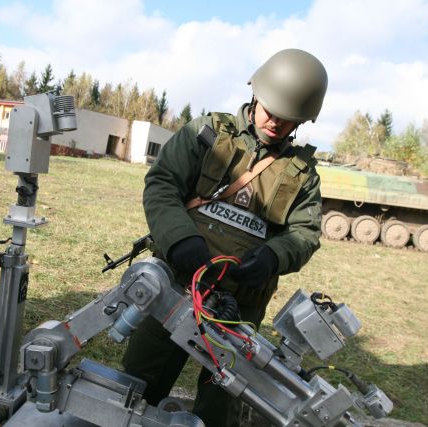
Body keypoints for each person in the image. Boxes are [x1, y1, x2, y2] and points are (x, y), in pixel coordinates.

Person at [122, 48, 328, 427]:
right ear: (256, 94)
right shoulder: (207, 134)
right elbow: (163, 184)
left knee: (223, 402)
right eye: (271, 111)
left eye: (288, 118)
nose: (276, 123)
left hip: (241, 306)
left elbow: (305, 233)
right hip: (177, 285)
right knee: (138, 386)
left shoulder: (302, 174)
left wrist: (274, 256)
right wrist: (181, 240)